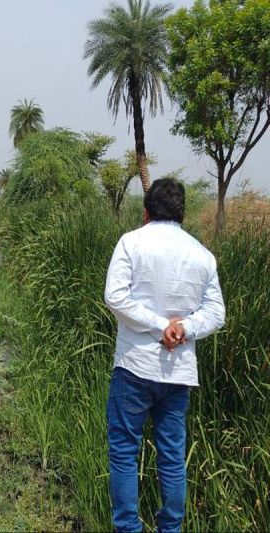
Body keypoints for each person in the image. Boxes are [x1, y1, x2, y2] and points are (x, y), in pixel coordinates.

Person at [104, 178, 226, 532]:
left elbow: (115, 297)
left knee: (125, 451)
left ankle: (128, 528)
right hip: (178, 374)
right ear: (182, 213)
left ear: (146, 211)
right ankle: (169, 529)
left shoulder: (132, 242)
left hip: (134, 367)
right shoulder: (202, 255)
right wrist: (181, 329)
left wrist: (160, 326)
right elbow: (217, 313)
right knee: (172, 457)